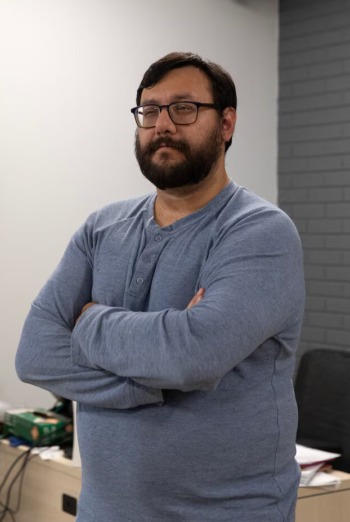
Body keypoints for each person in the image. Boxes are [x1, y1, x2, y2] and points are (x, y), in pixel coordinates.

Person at [16, 52, 305, 522]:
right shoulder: (101, 228)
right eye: (150, 111)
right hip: (105, 511)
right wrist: (158, 378)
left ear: (226, 124)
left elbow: (193, 356)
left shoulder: (260, 232)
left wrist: (87, 321)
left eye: (184, 108)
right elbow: (34, 354)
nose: (162, 125)